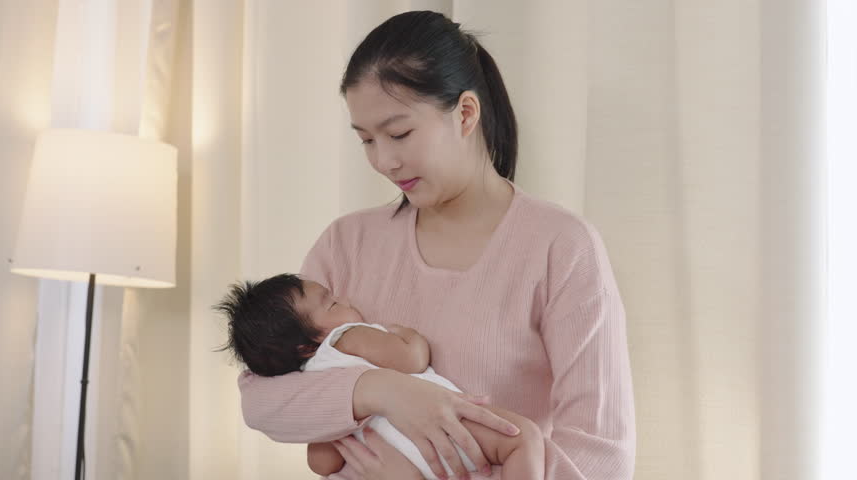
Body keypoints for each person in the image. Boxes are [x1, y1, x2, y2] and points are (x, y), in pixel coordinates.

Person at [237, 10, 636, 480]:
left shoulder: (560, 246)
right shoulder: (347, 243)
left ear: (465, 112)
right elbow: (261, 397)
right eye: (366, 140)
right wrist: (381, 391)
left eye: (399, 133)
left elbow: (602, 452)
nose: (384, 160)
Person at [215, 274, 544, 479]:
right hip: (446, 429)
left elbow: (322, 463)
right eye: (330, 304)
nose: (343, 299)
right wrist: (407, 335)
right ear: (306, 346)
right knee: (522, 439)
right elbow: (410, 359)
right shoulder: (345, 337)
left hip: (394, 460)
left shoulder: (310, 386)